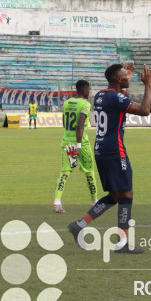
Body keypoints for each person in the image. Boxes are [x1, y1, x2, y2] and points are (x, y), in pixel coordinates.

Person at [67, 62, 151, 254]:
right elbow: (145, 110)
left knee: (115, 196)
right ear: (118, 79)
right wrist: (148, 85)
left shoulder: (101, 95)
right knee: (127, 194)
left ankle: (79, 224)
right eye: (125, 75)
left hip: (101, 150)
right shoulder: (116, 97)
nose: (129, 77)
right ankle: (122, 243)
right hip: (115, 151)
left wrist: (125, 78)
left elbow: (121, 98)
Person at [53, 80, 97, 214]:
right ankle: (94, 202)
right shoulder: (85, 105)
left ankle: (57, 201)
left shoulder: (66, 103)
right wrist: (78, 146)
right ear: (84, 90)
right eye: (88, 89)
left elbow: (64, 123)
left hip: (67, 141)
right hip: (81, 143)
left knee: (65, 172)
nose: (89, 91)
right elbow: (80, 125)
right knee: (89, 171)